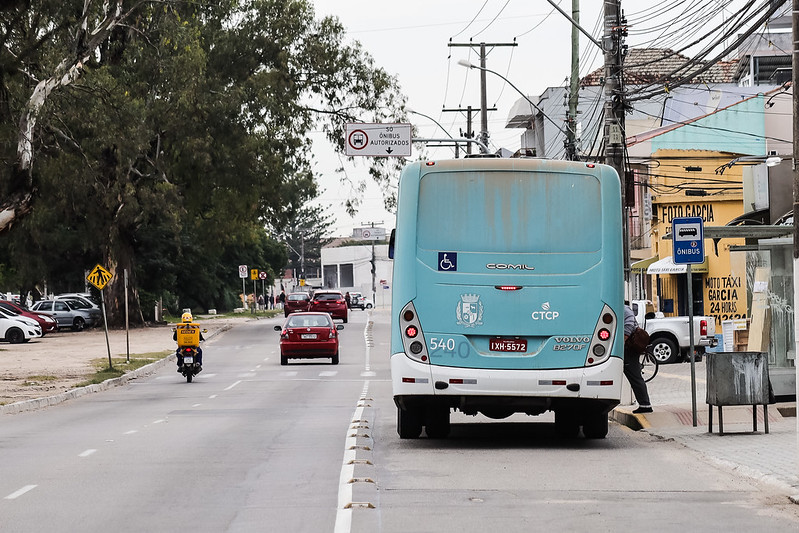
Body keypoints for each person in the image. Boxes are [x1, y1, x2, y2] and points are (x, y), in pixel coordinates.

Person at [623, 303, 653, 414]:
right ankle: (644, 404)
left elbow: (629, 325)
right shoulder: (623, 309)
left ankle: (645, 405)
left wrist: (623, 340)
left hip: (629, 348)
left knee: (635, 376)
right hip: (627, 347)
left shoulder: (624, 309)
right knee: (634, 376)